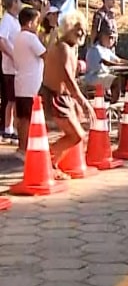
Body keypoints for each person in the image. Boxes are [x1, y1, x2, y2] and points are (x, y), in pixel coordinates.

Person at [41, 11, 95, 180]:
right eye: (77, 29)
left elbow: (69, 79)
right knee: (77, 135)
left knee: (77, 135)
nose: (81, 33)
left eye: (83, 30)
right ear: (69, 28)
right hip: (55, 97)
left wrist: (76, 101)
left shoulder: (70, 46)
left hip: (63, 97)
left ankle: (52, 164)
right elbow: (67, 77)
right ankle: (45, 159)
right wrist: (83, 101)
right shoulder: (63, 46)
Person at [12, 7, 46, 159]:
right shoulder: (30, 38)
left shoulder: (19, 37)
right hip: (30, 85)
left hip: (21, 82)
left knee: (23, 118)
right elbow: (45, 53)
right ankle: (25, 148)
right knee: (27, 118)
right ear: (31, 22)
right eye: (37, 22)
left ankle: (22, 147)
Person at [85, 30, 128, 101]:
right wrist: (125, 65)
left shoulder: (106, 50)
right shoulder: (96, 49)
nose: (112, 40)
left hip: (102, 75)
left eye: (113, 38)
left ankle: (111, 98)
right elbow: (107, 63)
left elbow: (118, 60)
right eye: (110, 37)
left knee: (121, 78)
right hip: (94, 76)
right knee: (115, 81)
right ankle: (113, 103)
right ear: (102, 36)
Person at [0, 0, 22, 142]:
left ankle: (11, 127)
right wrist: (13, 55)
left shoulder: (15, 20)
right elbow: (1, 40)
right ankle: (8, 129)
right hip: (9, 67)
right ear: (13, 3)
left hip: (16, 66)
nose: (20, 4)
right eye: (19, 1)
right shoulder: (7, 20)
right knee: (11, 99)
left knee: (14, 98)